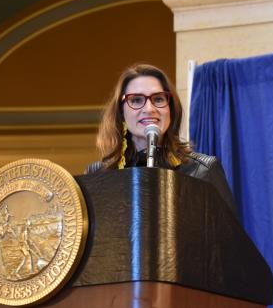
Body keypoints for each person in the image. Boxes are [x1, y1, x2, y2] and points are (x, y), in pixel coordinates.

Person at [86, 63, 238, 215]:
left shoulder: (203, 171)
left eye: (158, 99)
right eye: (136, 100)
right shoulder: (98, 175)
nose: (149, 109)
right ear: (121, 112)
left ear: (171, 109)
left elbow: (229, 237)